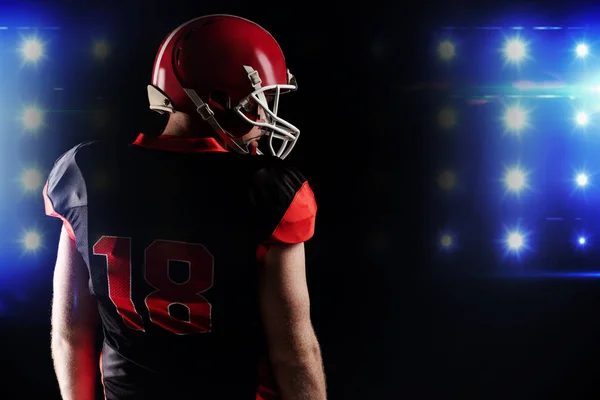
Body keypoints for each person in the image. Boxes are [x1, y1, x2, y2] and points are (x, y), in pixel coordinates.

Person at [43, 14, 327, 400]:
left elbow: (71, 332)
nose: (264, 119)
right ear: (218, 101)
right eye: (257, 103)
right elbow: (293, 354)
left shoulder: (84, 174)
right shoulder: (266, 189)